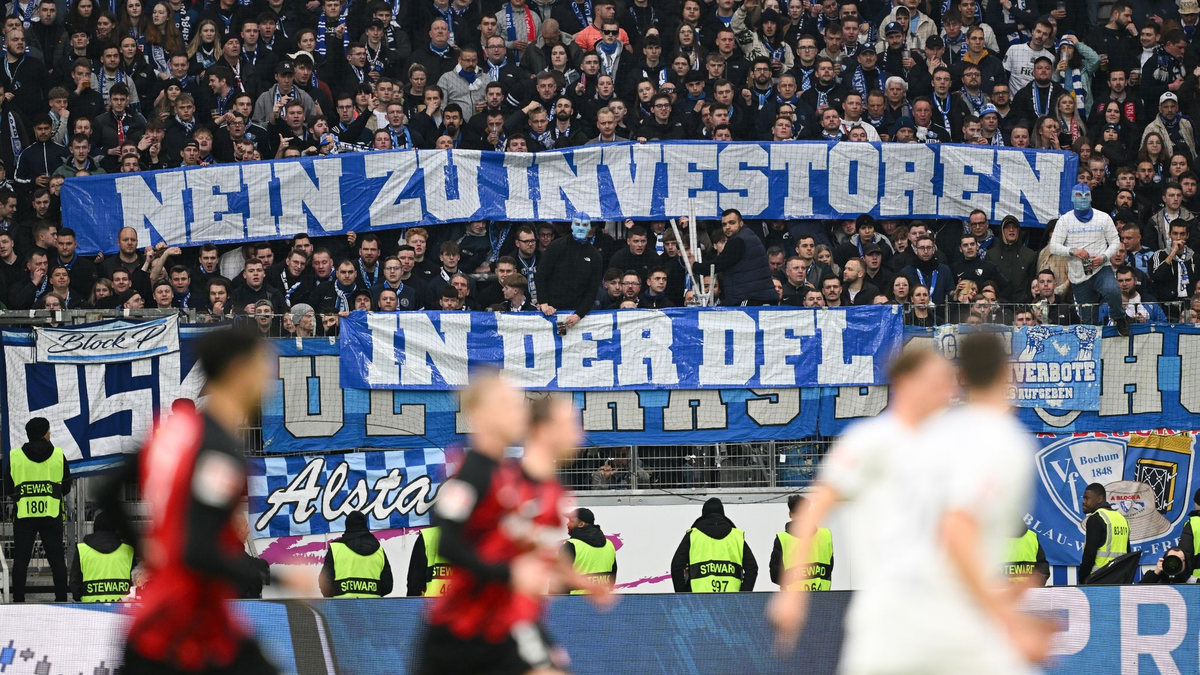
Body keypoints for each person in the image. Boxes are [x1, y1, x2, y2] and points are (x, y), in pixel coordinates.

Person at [98, 329, 297, 674]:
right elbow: (197, 549)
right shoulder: (218, 449)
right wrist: (280, 578)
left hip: (188, 624)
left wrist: (150, 549)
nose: (269, 378)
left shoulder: (173, 433)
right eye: (262, 366)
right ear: (237, 371)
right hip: (177, 631)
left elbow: (106, 491)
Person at [768, 347, 956, 656]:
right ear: (905, 382)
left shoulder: (947, 445)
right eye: (937, 380)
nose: (948, 389)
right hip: (886, 619)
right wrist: (792, 597)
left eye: (949, 380)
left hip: (943, 615)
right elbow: (811, 512)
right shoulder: (868, 441)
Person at [416, 385, 605, 675]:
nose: (519, 410)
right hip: (457, 629)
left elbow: (525, 544)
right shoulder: (475, 473)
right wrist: (512, 573)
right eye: (509, 403)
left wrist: (577, 578)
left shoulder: (519, 480)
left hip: (505, 622)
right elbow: (447, 543)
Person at [1047, 182, 1129, 334]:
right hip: (1078, 275)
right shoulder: (1065, 220)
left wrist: (1104, 257)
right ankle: (1094, 343)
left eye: (1086, 195)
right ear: (1072, 198)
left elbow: (1115, 242)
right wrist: (1073, 251)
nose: (1083, 198)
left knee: (1112, 290)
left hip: (1100, 268)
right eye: (1079, 195)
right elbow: (1054, 246)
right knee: (1088, 318)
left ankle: (1119, 318)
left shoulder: (1103, 217)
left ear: (1091, 198)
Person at [5, 416, 71, 602]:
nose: (50, 433)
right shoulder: (58, 455)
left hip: (24, 516)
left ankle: (18, 600)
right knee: (57, 560)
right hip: (52, 515)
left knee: (21, 560)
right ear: (43, 433)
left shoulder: (15, 456)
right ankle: (61, 600)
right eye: (48, 430)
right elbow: (66, 487)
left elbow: (9, 488)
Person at [670, 497, 758, 593]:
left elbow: (676, 566)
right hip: (731, 602)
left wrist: (684, 595)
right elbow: (752, 568)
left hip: (698, 602)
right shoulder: (736, 537)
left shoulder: (693, 536)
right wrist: (742, 596)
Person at [535, 217, 604, 331]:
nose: (581, 228)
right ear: (572, 226)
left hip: (577, 315)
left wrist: (579, 314)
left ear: (589, 228)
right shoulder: (556, 246)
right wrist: (543, 302)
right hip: (552, 311)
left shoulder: (595, 256)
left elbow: (592, 290)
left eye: (585, 225)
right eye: (577, 224)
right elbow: (541, 275)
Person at [701, 209, 777, 306]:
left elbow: (719, 264)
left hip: (751, 299)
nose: (727, 227)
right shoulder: (748, 236)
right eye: (724, 224)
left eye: (732, 223)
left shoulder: (738, 240)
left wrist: (695, 266)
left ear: (741, 223)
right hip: (759, 298)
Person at [319, 511, 393, 597]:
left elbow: (324, 582)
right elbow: (387, 586)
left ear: (347, 526)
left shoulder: (336, 549)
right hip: (372, 607)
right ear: (366, 525)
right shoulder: (379, 550)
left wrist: (335, 597)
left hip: (342, 607)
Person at [69, 509, 136, 602]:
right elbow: (136, 581)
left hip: (89, 608)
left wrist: (78, 598)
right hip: (121, 608)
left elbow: (75, 582)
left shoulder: (82, 549)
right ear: (115, 528)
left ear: (95, 528)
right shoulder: (128, 550)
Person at [769, 495, 833, 591]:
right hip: (822, 598)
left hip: (795, 600)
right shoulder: (825, 535)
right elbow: (829, 566)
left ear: (790, 514)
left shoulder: (783, 539)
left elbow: (775, 575)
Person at [1078, 482, 1129, 584]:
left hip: (1099, 580)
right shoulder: (1122, 519)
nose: (1083, 502)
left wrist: (1082, 578)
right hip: (1119, 580)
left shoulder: (1096, 518)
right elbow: (1128, 552)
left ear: (1099, 499)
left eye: (1087, 498)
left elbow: (1090, 554)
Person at [559, 507, 617, 594]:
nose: (567, 524)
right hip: (600, 604)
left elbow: (560, 582)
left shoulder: (570, 546)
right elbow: (612, 578)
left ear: (581, 524)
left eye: (571, 521)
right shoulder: (609, 545)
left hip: (574, 604)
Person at [406, 525, 450, 596]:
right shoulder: (470, 536)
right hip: (464, 604)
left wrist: (412, 605)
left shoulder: (427, 536)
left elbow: (414, 584)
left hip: (432, 605)